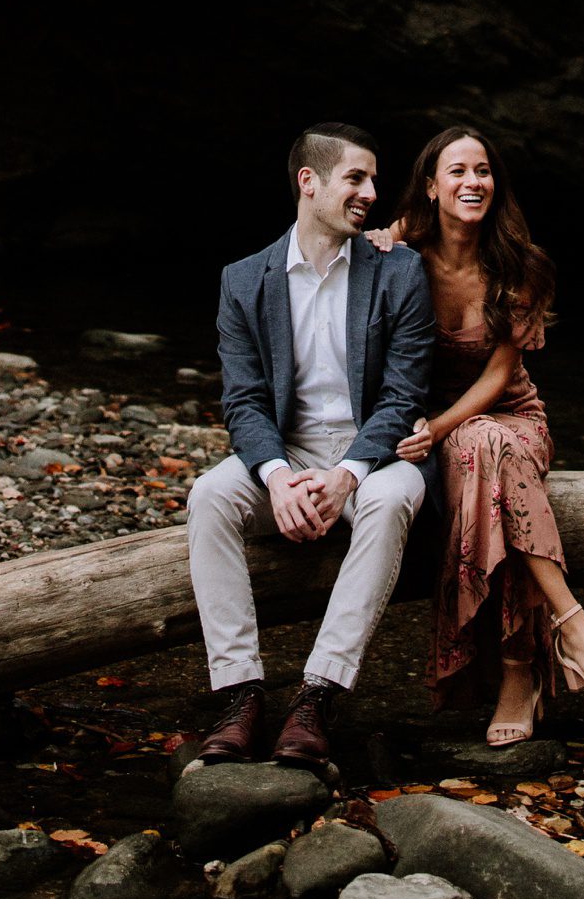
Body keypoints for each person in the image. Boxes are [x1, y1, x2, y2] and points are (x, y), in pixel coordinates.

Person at [373, 123, 584, 746]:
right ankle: (554, 645)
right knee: (481, 452)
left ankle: (545, 650)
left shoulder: (520, 266)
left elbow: (499, 379)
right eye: (458, 171)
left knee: (485, 442)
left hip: (512, 422)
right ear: (432, 187)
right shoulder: (396, 256)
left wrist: (434, 431)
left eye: (483, 170)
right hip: (440, 432)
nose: (473, 181)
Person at [185, 119, 436, 770]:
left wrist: (348, 474)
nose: (372, 192)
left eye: (373, 179)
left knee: (391, 502)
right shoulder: (244, 280)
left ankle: (318, 696)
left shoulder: (399, 271)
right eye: (356, 178)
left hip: (373, 454)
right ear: (309, 182)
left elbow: (403, 394)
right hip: (288, 453)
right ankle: (240, 694)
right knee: (210, 494)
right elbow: (241, 399)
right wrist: (273, 476)